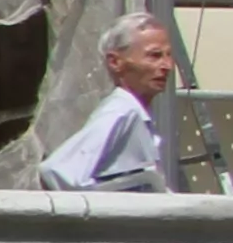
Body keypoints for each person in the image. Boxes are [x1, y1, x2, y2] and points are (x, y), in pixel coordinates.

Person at [36, 13, 180, 193]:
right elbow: (57, 173)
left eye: (168, 55)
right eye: (155, 55)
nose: (167, 65)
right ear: (115, 62)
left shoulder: (134, 112)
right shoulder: (122, 111)